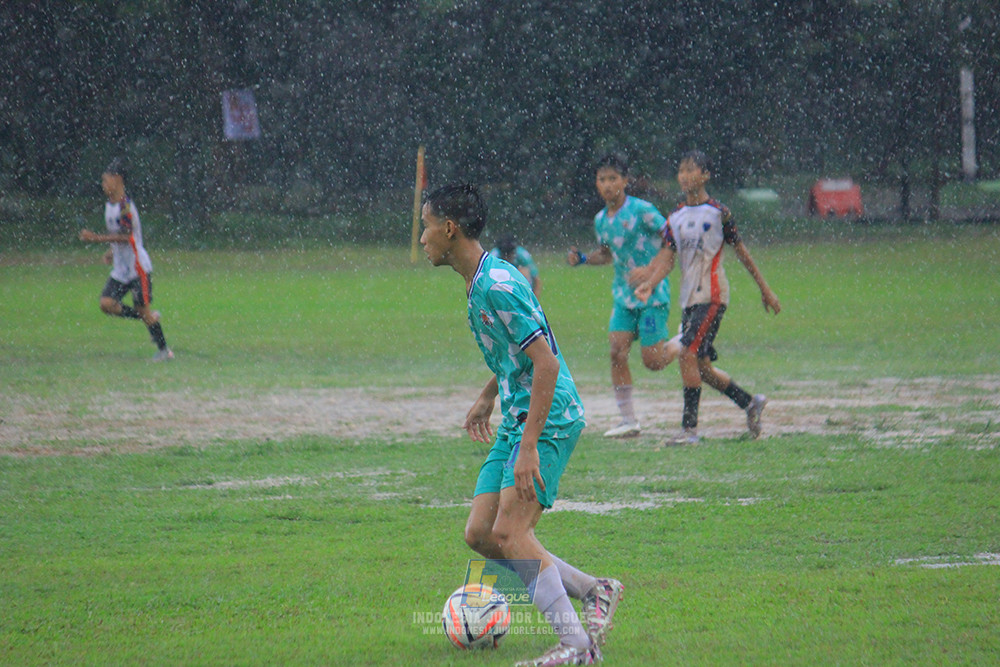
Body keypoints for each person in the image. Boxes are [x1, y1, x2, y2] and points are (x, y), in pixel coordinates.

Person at [421, 183, 621, 666]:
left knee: (511, 533)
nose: (422, 238)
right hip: (516, 415)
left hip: (547, 419)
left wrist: (529, 444)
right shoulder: (480, 281)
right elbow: (518, 353)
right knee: (481, 534)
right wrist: (488, 397)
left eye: (426, 226)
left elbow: (547, 364)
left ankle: (577, 647)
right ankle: (596, 590)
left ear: (449, 229)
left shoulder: (498, 284)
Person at [632, 150, 780, 444]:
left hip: (712, 296)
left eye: (691, 170)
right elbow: (666, 259)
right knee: (701, 367)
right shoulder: (674, 216)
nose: (685, 176)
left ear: (706, 175)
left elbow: (742, 252)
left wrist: (765, 289)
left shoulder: (719, 212)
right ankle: (750, 402)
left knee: (687, 354)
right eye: (681, 171)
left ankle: (689, 431)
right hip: (689, 300)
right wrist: (650, 282)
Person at [567, 153, 680, 438]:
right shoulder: (601, 220)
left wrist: (651, 269)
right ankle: (628, 421)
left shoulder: (642, 210)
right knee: (617, 352)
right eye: (602, 179)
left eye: (612, 179)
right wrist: (582, 258)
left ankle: (684, 339)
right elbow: (606, 255)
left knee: (653, 362)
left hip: (652, 296)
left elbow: (672, 237)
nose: (607, 185)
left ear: (625, 181)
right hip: (623, 298)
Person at [78, 159, 173, 361]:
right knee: (106, 303)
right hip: (121, 270)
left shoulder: (125, 206)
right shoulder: (110, 206)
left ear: (118, 179)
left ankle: (164, 350)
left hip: (138, 267)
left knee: (143, 310)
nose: (103, 184)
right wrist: (111, 252)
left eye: (106, 180)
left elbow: (127, 236)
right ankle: (147, 317)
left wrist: (96, 238)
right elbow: (121, 238)